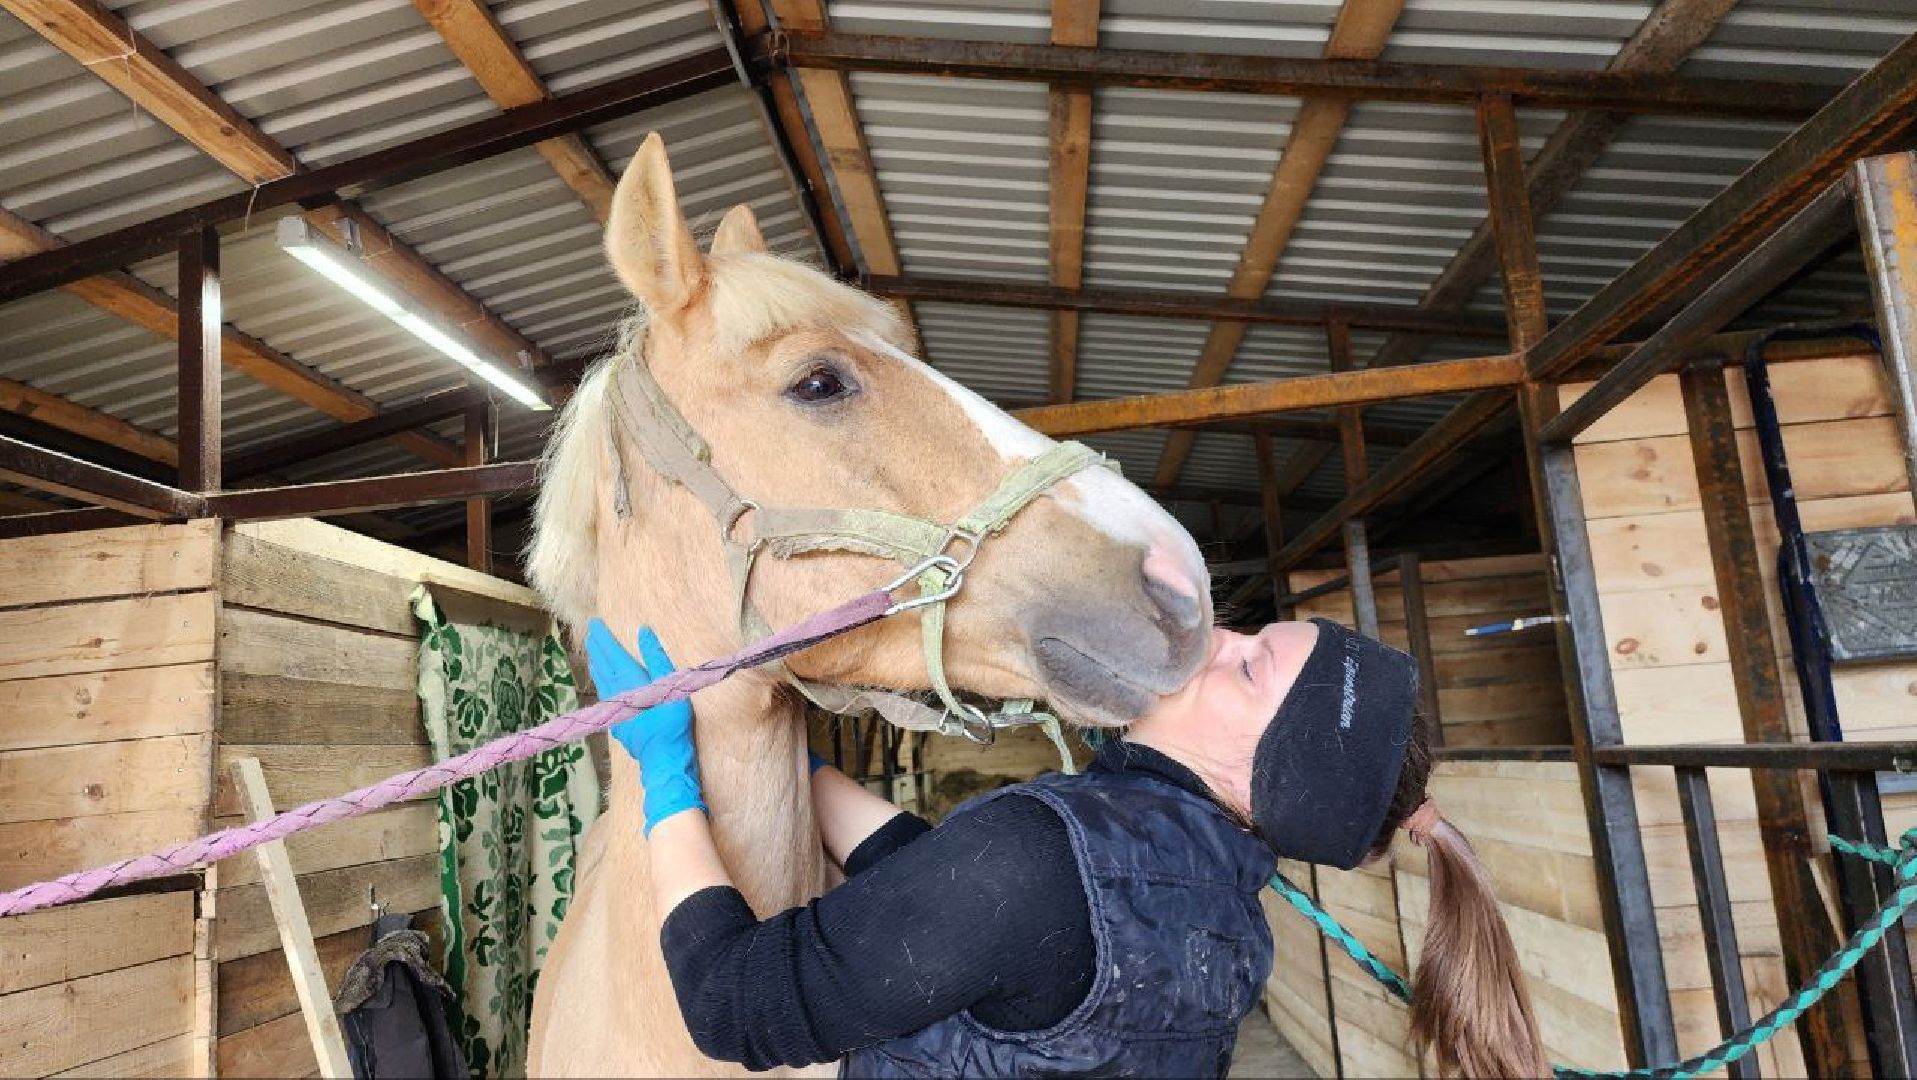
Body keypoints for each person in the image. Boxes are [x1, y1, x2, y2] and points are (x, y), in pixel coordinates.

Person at [586, 617, 1548, 1079]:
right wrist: (791, 767)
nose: (1214, 635)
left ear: (1268, 773)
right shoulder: (1223, 919)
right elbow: (961, 909)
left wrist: (668, 780)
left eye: (1247, 665)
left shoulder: (1040, 861)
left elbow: (736, 1002)